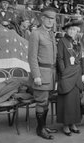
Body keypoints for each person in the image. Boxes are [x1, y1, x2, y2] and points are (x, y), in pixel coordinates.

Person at [28, 7, 57, 140]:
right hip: (41, 74)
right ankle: (40, 129)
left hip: (50, 75)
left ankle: (43, 126)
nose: (51, 21)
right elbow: (32, 57)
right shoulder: (36, 33)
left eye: (53, 19)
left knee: (45, 102)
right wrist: (36, 76)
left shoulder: (51, 34)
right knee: (41, 102)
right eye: (48, 18)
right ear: (42, 18)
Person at [56, 15, 84, 136]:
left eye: (74, 29)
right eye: (70, 29)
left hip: (77, 75)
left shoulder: (78, 43)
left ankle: (73, 123)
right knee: (67, 101)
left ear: (77, 31)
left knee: (75, 101)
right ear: (66, 30)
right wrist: (64, 72)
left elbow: (83, 59)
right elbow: (60, 59)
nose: (72, 31)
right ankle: (65, 125)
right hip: (67, 75)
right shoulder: (62, 41)